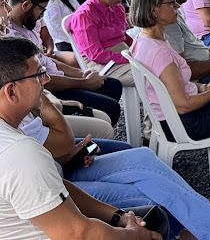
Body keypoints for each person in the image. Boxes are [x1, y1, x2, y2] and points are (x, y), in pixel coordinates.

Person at [0, 37, 163, 240]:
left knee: (150, 194)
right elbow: (79, 234)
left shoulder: (12, 140)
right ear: (11, 91)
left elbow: (53, 187)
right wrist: (135, 235)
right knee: (157, 215)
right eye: (39, 75)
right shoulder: (19, 152)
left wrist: (118, 217)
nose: (47, 80)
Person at [7, 0, 124, 126]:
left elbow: (46, 60)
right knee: (110, 108)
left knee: (112, 85)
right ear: (26, 5)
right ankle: (96, 139)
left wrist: (82, 73)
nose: (42, 15)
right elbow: (44, 81)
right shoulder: (14, 38)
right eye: (41, 9)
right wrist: (83, 83)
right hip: (49, 90)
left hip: (55, 80)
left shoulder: (27, 26)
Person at [130, 0, 210, 142]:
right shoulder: (159, 52)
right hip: (184, 124)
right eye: (171, 3)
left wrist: (205, 87)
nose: (177, 6)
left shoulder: (143, 40)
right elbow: (183, 105)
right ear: (154, 10)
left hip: (170, 120)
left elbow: (178, 86)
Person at [71, 0, 135, 86]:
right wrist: (130, 57)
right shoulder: (85, 15)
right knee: (149, 74)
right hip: (101, 65)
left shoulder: (117, 8)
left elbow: (124, 36)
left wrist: (138, 49)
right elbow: (96, 55)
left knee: (159, 65)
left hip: (122, 55)